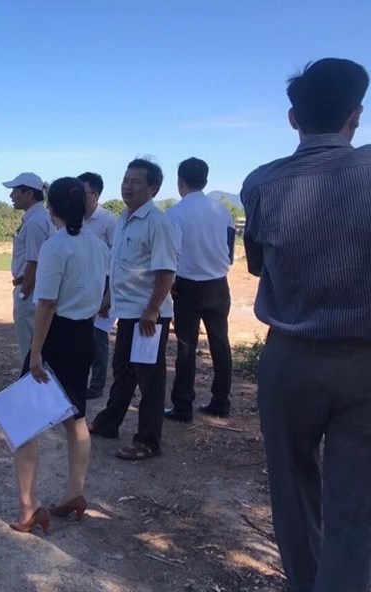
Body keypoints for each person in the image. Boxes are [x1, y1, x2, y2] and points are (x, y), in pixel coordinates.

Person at [241, 57, 371, 592]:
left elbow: (257, 265)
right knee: (356, 505)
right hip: (364, 362)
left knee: (292, 491)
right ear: (355, 116)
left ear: (293, 118)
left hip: (290, 357)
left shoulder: (261, 183)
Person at [9, 177, 109, 534]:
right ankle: (74, 493)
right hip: (84, 335)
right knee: (75, 416)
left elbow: (47, 304)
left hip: (57, 338)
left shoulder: (55, 246)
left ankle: (29, 507)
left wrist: (36, 351)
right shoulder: (98, 245)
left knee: (22, 423)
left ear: (51, 206)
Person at [89, 159, 178, 461]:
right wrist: (108, 298)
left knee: (149, 378)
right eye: (125, 180)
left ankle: (148, 441)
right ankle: (108, 423)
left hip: (147, 317)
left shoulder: (158, 223)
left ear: (153, 188)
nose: (127, 186)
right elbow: (120, 266)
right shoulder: (123, 219)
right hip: (127, 311)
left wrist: (152, 310)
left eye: (136, 182)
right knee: (124, 372)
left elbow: (166, 271)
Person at [163, 158, 235, 423]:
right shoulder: (222, 211)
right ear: (205, 180)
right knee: (220, 343)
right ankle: (221, 401)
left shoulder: (175, 214)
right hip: (218, 285)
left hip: (187, 286)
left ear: (180, 180)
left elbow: (171, 255)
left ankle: (183, 405)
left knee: (186, 347)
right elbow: (230, 251)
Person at [4, 172, 55, 363]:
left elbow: (34, 262)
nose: (11, 196)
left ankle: (31, 379)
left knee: (29, 347)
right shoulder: (39, 217)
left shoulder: (35, 222)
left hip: (30, 289)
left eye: (15, 191)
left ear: (29, 194)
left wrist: (23, 294)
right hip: (33, 288)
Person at [77, 172, 118, 400]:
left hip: (104, 283)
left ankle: (96, 385)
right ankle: (79, 379)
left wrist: (109, 294)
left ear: (96, 194)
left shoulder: (109, 220)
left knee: (99, 336)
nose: (79, 198)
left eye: (83, 193)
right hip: (81, 282)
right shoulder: (74, 218)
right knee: (80, 334)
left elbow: (117, 258)